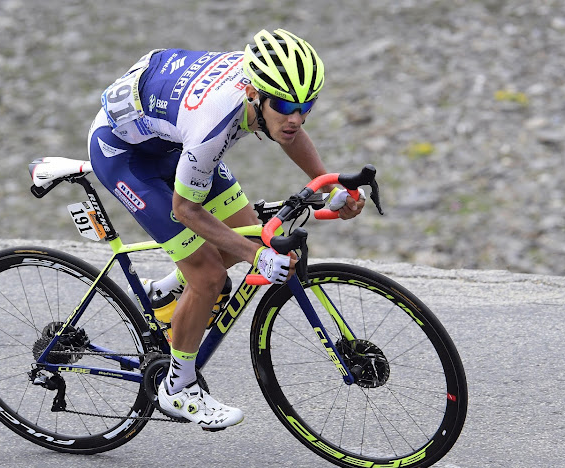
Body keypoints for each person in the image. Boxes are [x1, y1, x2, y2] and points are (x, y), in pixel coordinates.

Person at [87, 28, 364, 430]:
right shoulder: (214, 123)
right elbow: (185, 210)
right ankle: (177, 388)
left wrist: (329, 183)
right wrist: (258, 258)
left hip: (173, 140)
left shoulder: (265, 89)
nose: (297, 117)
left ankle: (166, 293)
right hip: (125, 155)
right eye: (285, 105)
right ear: (255, 94)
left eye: (307, 106)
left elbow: (289, 131)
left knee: (247, 232)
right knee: (210, 274)